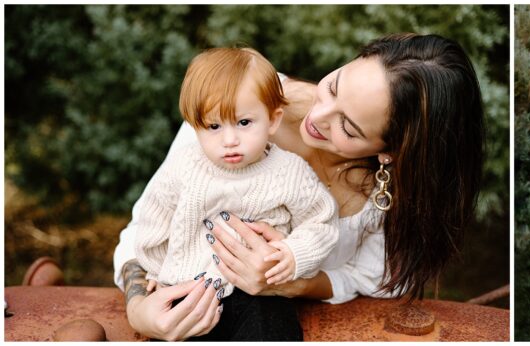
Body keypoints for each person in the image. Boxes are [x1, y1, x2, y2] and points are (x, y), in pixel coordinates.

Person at [113, 33, 484, 340]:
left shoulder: (388, 196)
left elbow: (373, 276)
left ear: (389, 152)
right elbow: (144, 229)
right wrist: (139, 310)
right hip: (190, 294)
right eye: (334, 86)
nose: (318, 117)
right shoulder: (238, 101)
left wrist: (291, 280)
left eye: (348, 128)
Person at [128, 47, 342, 340]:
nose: (230, 140)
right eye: (213, 126)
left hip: (260, 293)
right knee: (178, 329)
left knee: (274, 332)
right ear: (196, 126)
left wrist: (294, 253)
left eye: (244, 123)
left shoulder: (289, 171)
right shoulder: (184, 166)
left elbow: (321, 221)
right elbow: (155, 222)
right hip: (191, 289)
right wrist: (156, 272)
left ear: (273, 120)